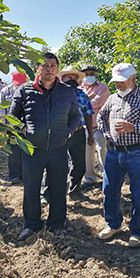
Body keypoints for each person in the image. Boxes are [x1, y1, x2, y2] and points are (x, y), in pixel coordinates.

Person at [11, 53, 81, 240]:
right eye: (45, 66)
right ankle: (32, 224)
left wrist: (68, 131)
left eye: (52, 65)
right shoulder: (25, 90)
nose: (49, 69)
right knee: (31, 188)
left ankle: (57, 223)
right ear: (38, 69)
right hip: (33, 149)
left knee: (58, 187)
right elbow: (12, 117)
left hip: (58, 148)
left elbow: (76, 116)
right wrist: (23, 130)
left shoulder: (66, 91)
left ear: (57, 69)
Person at [96, 63, 140, 248]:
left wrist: (134, 128)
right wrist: (107, 134)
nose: (118, 84)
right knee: (109, 190)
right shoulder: (112, 99)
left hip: (137, 152)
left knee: (138, 193)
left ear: (133, 79)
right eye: (116, 81)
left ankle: (137, 231)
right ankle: (113, 224)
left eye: (122, 81)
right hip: (114, 152)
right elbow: (100, 117)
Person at [57, 66, 95, 201]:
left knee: (79, 165)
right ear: (62, 79)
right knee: (55, 165)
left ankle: (74, 191)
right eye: (69, 77)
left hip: (78, 133)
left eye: (74, 77)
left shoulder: (82, 95)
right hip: (59, 134)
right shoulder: (55, 94)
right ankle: (47, 194)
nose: (72, 80)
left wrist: (90, 135)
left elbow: (89, 114)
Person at [79, 65, 110, 190]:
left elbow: (97, 102)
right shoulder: (79, 88)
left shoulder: (103, 87)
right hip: (85, 127)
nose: (88, 76)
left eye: (91, 73)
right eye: (86, 74)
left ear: (96, 75)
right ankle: (90, 179)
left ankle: (106, 178)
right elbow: (77, 104)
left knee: (102, 150)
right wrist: (87, 101)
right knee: (87, 154)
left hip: (100, 126)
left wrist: (84, 101)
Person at [0, 71, 27, 184]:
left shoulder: (30, 90)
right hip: (12, 129)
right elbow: (1, 111)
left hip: (26, 128)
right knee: (14, 152)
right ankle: (15, 175)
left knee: (26, 151)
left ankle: (26, 174)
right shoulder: (5, 91)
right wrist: (3, 127)